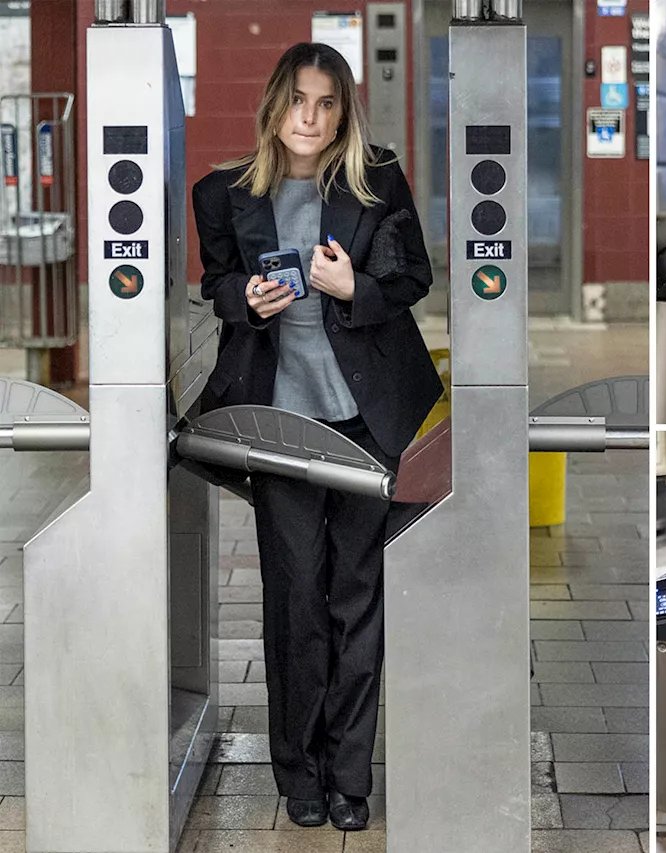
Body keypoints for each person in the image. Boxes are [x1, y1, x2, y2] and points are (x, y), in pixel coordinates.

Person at [191, 42, 442, 831]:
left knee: (357, 599)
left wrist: (352, 288)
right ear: (275, 103)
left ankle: (350, 775)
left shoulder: (375, 183)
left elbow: (412, 279)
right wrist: (248, 298)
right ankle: (298, 770)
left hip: (366, 423)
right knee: (296, 600)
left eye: (328, 102)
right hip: (279, 426)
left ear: (344, 111)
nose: (311, 116)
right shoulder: (223, 193)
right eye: (299, 99)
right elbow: (216, 283)